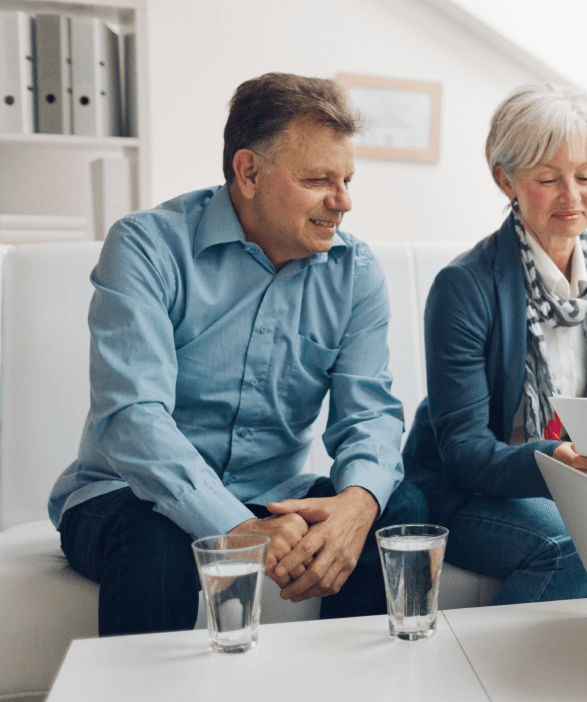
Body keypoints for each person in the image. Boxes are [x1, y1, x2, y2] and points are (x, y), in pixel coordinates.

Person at [49, 72, 428, 637]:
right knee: (161, 541)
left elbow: (369, 415)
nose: (343, 202)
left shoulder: (356, 272)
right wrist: (234, 526)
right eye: (319, 180)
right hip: (125, 496)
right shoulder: (146, 246)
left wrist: (357, 503)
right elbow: (133, 418)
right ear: (248, 172)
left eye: (347, 179)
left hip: (272, 496)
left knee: (401, 511)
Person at [402, 83, 587, 605]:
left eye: (585, 176)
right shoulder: (464, 285)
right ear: (505, 180)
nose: (572, 197)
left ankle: (582, 666)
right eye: (548, 179)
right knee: (576, 545)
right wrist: (556, 459)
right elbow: (463, 452)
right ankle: (495, 673)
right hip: (469, 490)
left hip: (572, 481)